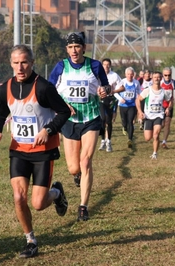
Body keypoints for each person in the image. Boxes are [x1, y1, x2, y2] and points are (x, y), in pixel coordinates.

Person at [0, 44, 71, 258]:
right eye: (16, 63)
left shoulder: (43, 87)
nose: (20, 67)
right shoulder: (5, 88)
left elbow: (64, 112)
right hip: (18, 150)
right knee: (18, 197)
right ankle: (31, 240)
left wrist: (49, 129)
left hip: (43, 151)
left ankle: (56, 193)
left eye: (24, 62)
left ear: (32, 63)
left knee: (38, 203)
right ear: (11, 64)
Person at [49, 31, 109, 221]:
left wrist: (103, 91)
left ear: (83, 48)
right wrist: (63, 105)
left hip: (91, 119)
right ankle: (74, 179)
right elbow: (49, 91)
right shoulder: (61, 67)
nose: (74, 51)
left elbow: (106, 87)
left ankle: (83, 207)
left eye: (77, 47)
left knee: (85, 162)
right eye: (70, 47)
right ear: (66, 49)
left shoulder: (94, 66)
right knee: (74, 168)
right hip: (69, 121)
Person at [136, 72, 173, 159]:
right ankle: (145, 126)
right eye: (155, 77)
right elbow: (138, 100)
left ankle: (155, 153)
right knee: (147, 138)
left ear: (161, 79)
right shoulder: (147, 90)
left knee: (155, 135)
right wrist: (140, 111)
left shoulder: (164, 92)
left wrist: (168, 108)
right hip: (148, 117)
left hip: (159, 116)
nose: (156, 79)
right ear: (152, 78)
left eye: (158, 77)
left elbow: (170, 100)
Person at [98, 58, 124, 152]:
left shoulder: (114, 75)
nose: (106, 66)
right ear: (102, 66)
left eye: (108, 65)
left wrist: (113, 91)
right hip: (101, 99)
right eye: (104, 65)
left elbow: (122, 88)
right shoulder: (98, 74)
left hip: (110, 99)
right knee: (102, 119)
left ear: (110, 66)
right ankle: (102, 141)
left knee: (109, 121)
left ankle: (108, 141)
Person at [115, 67, 141, 148]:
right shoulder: (122, 82)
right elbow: (115, 93)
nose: (130, 76)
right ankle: (124, 127)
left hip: (132, 105)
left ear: (133, 75)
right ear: (125, 74)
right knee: (124, 121)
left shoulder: (136, 83)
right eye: (128, 74)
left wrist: (138, 100)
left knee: (130, 122)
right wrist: (120, 98)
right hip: (123, 105)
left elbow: (139, 93)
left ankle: (130, 139)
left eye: (131, 74)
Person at [160, 67, 175, 149]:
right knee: (161, 124)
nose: (167, 77)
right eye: (165, 75)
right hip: (160, 106)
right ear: (163, 75)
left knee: (167, 123)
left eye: (169, 75)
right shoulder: (160, 82)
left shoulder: (173, 83)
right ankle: (156, 136)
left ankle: (164, 142)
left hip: (169, 105)